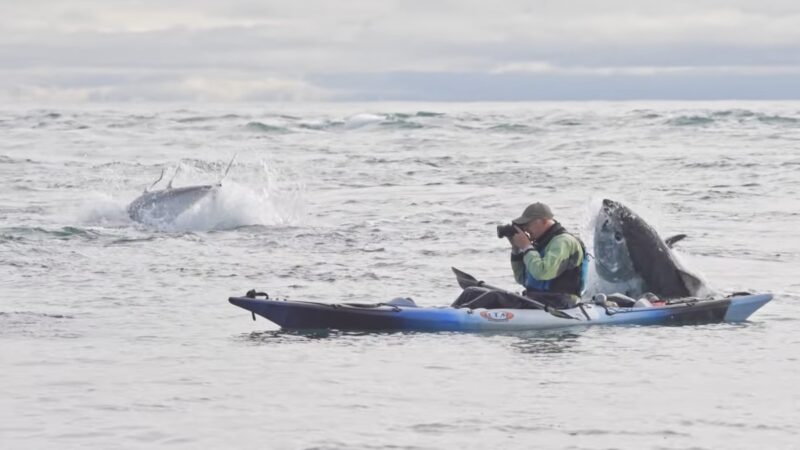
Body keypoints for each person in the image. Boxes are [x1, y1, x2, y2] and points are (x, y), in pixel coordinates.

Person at [452, 202, 586, 310]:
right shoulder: (542, 242)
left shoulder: (563, 241)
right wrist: (517, 249)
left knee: (494, 296)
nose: (525, 228)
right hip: (537, 298)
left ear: (544, 221)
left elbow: (543, 273)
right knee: (471, 291)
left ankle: (457, 317)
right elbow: (522, 279)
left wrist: (527, 247)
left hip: (559, 302)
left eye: (528, 224)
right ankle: (449, 312)